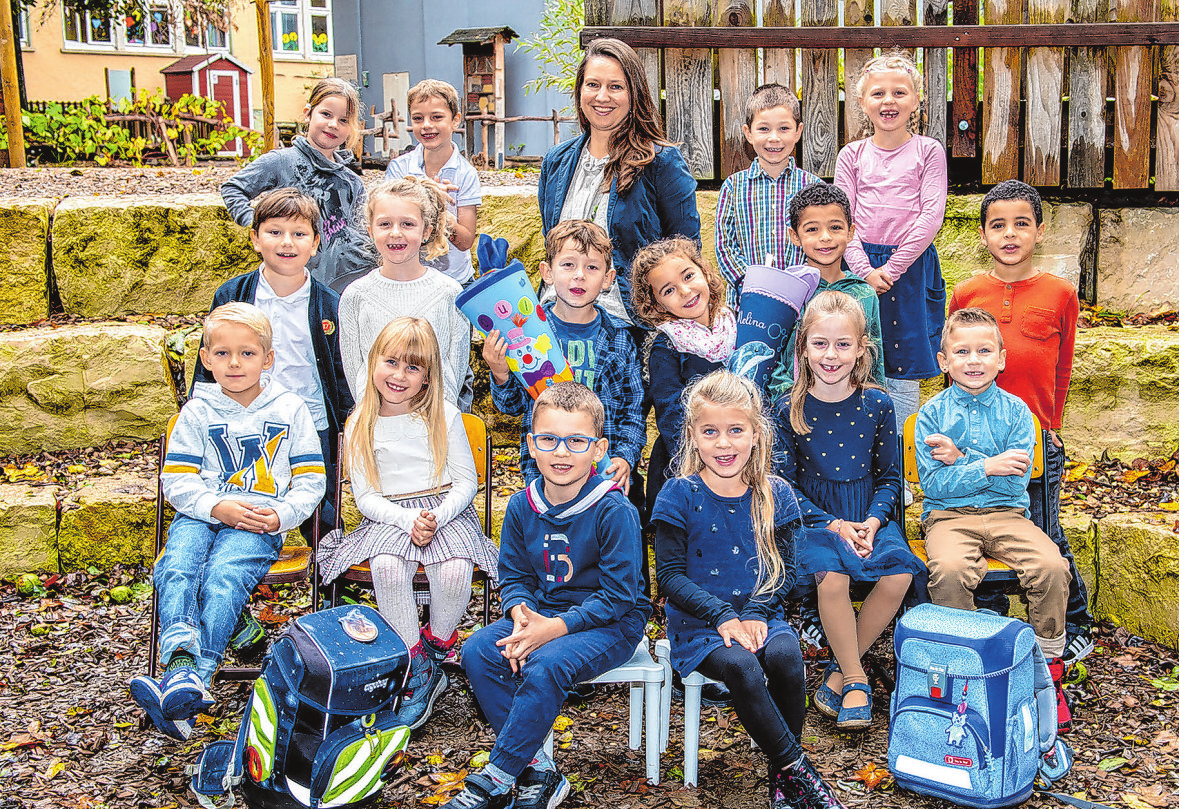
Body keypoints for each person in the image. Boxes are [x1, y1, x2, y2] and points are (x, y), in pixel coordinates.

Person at [443, 382, 650, 809]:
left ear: (598, 450)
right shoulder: (522, 506)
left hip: (612, 622)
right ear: (531, 446)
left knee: (544, 663)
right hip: (544, 612)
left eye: (576, 441)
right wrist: (521, 615)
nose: (561, 452)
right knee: (480, 649)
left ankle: (497, 777)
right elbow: (515, 575)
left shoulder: (615, 512)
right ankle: (537, 769)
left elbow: (619, 595)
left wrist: (550, 630)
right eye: (549, 439)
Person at [130, 303, 325, 740]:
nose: (234, 363)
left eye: (247, 353)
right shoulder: (196, 413)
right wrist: (216, 507)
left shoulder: (291, 409)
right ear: (205, 358)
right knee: (176, 565)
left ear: (268, 359)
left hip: (258, 520)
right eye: (222, 354)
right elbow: (176, 481)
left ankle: (193, 675)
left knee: (221, 576)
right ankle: (182, 662)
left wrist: (280, 515)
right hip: (202, 513)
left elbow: (311, 480)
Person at [653, 370, 844, 809]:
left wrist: (757, 612)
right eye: (711, 432)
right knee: (741, 666)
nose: (724, 444)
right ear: (693, 437)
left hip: (762, 614)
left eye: (736, 431)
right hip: (701, 625)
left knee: (785, 655)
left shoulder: (776, 494)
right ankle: (801, 774)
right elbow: (670, 576)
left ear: (756, 434)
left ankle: (782, 780)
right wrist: (723, 616)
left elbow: (788, 573)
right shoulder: (678, 494)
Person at [317, 317, 497, 730]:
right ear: (373, 362)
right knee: (385, 566)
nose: (399, 375)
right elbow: (364, 496)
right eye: (391, 362)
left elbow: (466, 482)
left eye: (413, 367)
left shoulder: (445, 416)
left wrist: (436, 515)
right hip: (388, 513)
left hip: (445, 507)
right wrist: (407, 518)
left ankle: (436, 646)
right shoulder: (360, 420)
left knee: (454, 570)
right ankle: (415, 664)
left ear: (427, 376)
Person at [949, 180, 1094, 666]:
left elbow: (1063, 364)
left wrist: (1050, 424)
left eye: (1021, 224)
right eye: (998, 225)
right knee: (979, 524)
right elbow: (953, 362)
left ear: (1040, 231)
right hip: (974, 444)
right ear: (984, 235)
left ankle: (1073, 624)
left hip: (1032, 442)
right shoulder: (968, 292)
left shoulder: (1060, 293)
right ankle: (990, 617)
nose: (1009, 234)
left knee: (1045, 531)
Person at [916, 307, 1073, 732]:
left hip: (1007, 515)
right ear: (944, 361)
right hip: (949, 518)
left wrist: (962, 460)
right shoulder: (931, 415)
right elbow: (935, 487)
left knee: (1051, 565)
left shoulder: (1018, 413)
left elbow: (1012, 484)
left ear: (1001, 359)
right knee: (948, 570)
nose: (973, 360)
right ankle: (966, 666)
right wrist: (989, 465)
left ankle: (1047, 668)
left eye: (984, 351)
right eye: (961, 351)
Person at [774, 291, 923, 729]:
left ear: (862, 348)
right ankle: (856, 678)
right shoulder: (789, 409)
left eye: (843, 344)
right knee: (832, 577)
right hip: (816, 521)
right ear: (802, 348)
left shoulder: (878, 404)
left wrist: (873, 522)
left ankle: (839, 669)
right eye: (820, 344)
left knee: (900, 574)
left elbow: (890, 478)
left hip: (868, 516)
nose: (831, 355)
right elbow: (784, 488)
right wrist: (835, 525)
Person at [537, 37, 700, 326]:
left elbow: (685, 251)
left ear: (634, 94)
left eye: (615, 86)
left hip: (627, 327)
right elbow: (552, 244)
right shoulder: (556, 162)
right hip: (555, 322)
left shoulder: (661, 162)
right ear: (580, 90)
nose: (602, 96)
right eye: (593, 84)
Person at [483, 220, 644, 495]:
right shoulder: (528, 332)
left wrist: (625, 456)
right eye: (568, 265)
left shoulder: (620, 337)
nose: (579, 275)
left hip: (602, 472)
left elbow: (633, 408)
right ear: (547, 272)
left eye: (592, 267)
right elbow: (512, 406)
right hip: (545, 472)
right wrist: (500, 372)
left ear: (608, 278)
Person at [835, 52, 948, 435]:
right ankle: (864, 463)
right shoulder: (851, 155)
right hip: (860, 266)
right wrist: (865, 270)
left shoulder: (928, 151)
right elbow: (842, 220)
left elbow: (931, 215)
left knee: (903, 370)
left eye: (899, 92)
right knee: (859, 361)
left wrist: (892, 267)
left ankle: (897, 469)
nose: (889, 101)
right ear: (863, 101)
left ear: (916, 99)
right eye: (878, 93)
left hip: (910, 269)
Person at [221, 78, 376, 293]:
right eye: (326, 114)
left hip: (347, 285)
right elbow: (233, 188)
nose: (333, 125)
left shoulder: (352, 181)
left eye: (343, 120)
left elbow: (363, 230)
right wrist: (260, 227)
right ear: (308, 113)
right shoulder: (281, 162)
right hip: (296, 282)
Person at [338, 176, 470, 407]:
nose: (396, 233)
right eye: (385, 224)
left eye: (407, 224)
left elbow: (453, 372)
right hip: (377, 428)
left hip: (435, 426)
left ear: (426, 231)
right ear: (370, 230)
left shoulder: (450, 293)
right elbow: (357, 374)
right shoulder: (355, 296)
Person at [630, 237, 735, 518]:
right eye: (669, 290)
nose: (686, 291)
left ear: (703, 271)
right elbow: (671, 413)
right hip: (687, 464)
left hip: (740, 456)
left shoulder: (736, 324)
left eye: (689, 276)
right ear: (656, 304)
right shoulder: (667, 346)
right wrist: (699, 466)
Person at [766, 182, 886, 401]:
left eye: (835, 227)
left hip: (851, 412)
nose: (825, 237)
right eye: (812, 229)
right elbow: (772, 360)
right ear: (794, 235)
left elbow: (873, 360)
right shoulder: (785, 291)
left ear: (851, 232)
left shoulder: (864, 293)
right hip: (792, 408)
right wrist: (788, 400)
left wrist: (874, 406)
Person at [716, 83, 821, 309]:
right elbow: (725, 247)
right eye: (764, 129)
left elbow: (819, 241)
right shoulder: (733, 187)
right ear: (748, 133)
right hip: (746, 305)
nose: (774, 138)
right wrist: (753, 285)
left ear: (798, 131)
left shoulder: (813, 187)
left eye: (784, 128)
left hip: (801, 304)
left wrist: (794, 285)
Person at [385, 79, 481, 287]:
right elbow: (389, 227)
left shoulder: (466, 174)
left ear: (455, 120)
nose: (427, 125)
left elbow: (465, 241)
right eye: (418, 118)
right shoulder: (399, 168)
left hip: (455, 281)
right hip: (407, 279)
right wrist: (425, 196)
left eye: (436, 117)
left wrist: (439, 210)